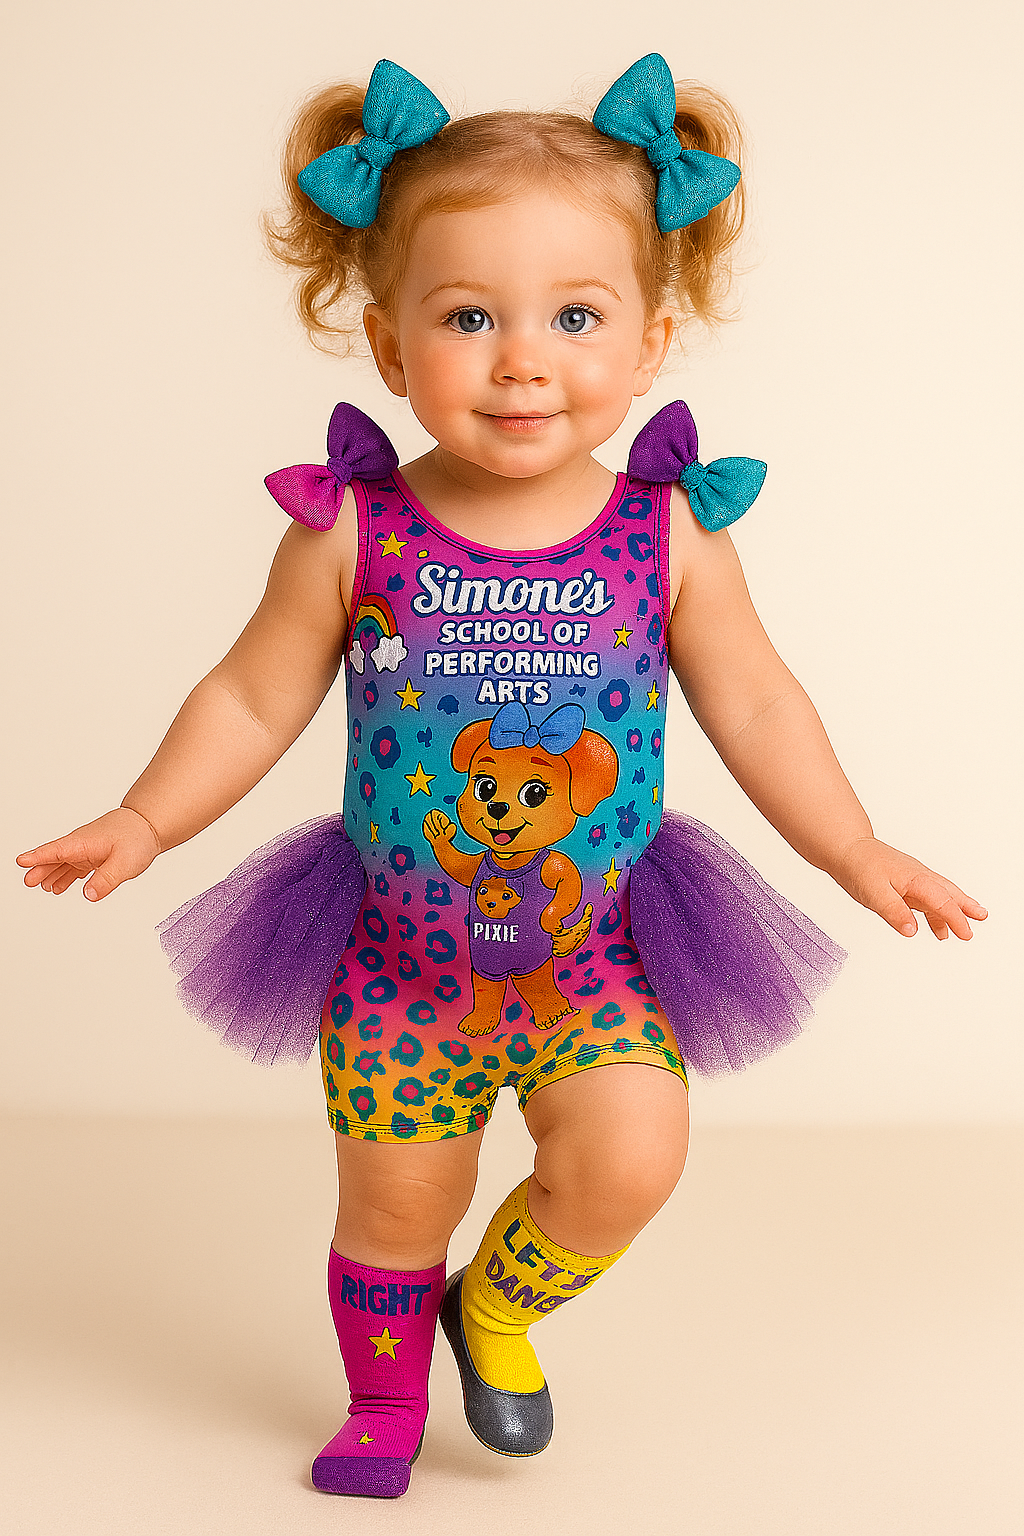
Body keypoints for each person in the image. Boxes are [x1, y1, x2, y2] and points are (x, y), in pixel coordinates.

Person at [17, 54, 986, 1502]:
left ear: (651, 342)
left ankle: (502, 1309)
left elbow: (762, 705)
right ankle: (382, 1402)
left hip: (598, 952)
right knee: (396, 1198)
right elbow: (251, 691)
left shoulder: (668, 535)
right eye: (470, 317)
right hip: (404, 961)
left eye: (574, 317)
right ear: (392, 348)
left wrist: (856, 850)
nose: (523, 358)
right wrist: (148, 816)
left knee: (634, 1159)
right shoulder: (355, 530)